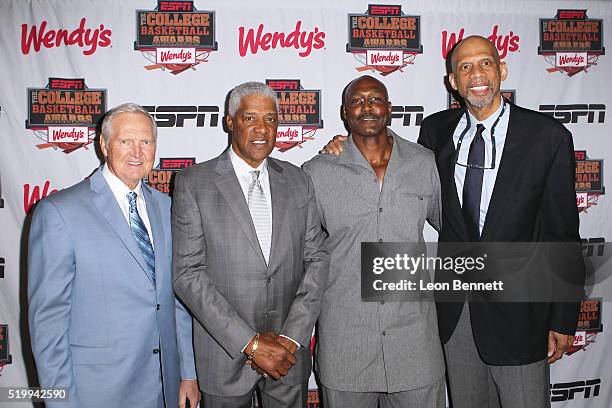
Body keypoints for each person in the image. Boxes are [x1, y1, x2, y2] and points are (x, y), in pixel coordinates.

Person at [324, 36, 584, 408]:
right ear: (453, 82)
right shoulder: (436, 132)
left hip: (522, 315)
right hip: (455, 315)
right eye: (465, 67)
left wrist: (563, 318)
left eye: (485, 63)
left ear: (501, 70)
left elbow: (563, 235)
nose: (476, 74)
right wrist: (344, 146)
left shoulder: (548, 136)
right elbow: (391, 160)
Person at [28, 103, 199, 408]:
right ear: (104, 145)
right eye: (125, 141)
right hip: (98, 392)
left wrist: (187, 372)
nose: (137, 152)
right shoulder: (59, 213)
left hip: (165, 386)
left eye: (145, 142)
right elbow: (48, 323)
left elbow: (179, 301)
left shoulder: (168, 208)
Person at [171, 81, 329, 408]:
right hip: (224, 357)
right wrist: (251, 344)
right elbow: (188, 275)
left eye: (270, 119)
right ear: (230, 121)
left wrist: (289, 338)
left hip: (288, 357)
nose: (262, 129)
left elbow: (317, 260)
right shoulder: (193, 183)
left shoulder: (299, 180)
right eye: (250, 118)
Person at [303, 75, 445, 408]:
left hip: (415, 345)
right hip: (346, 346)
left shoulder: (423, 163)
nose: (367, 107)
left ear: (390, 108)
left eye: (375, 99)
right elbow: (303, 255)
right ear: (344, 112)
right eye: (357, 101)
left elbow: (455, 231)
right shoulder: (318, 171)